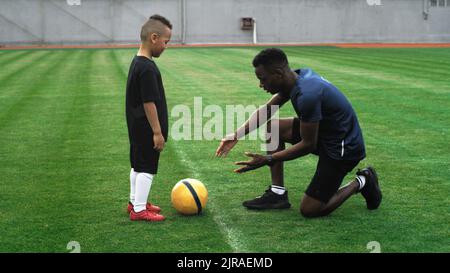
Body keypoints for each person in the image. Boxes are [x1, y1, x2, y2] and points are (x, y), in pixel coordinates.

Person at [215, 48, 381, 218]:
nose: (261, 85)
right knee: (274, 127)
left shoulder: (307, 95)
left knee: (310, 209)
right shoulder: (295, 78)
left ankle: (362, 181)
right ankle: (277, 194)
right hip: (327, 135)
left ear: (278, 73)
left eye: (263, 79)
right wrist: (236, 134)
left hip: (343, 148)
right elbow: (267, 110)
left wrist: (268, 159)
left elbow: (308, 145)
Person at [125, 15, 172, 222]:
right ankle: (139, 210)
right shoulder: (146, 68)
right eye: (165, 42)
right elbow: (149, 103)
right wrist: (157, 132)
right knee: (147, 168)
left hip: (136, 126)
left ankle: (135, 201)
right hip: (146, 129)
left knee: (137, 165)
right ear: (154, 38)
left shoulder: (138, 62)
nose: (166, 46)